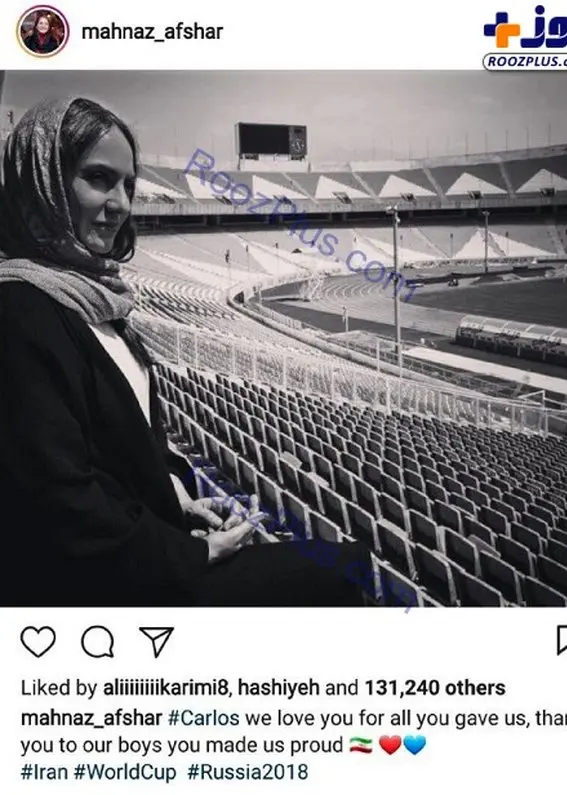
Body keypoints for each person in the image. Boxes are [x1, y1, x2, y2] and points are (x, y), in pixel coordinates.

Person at [0, 96, 372, 608]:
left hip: (146, 544)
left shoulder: (93, 296)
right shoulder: (20, 312)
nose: (120, 203)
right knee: (342, 571)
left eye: (128, 185)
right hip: (113, 576)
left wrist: (180, 500)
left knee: (341, 566)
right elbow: (58, 500)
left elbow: (133, 445)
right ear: (42, 182)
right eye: (98, 178)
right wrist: (192, 553)